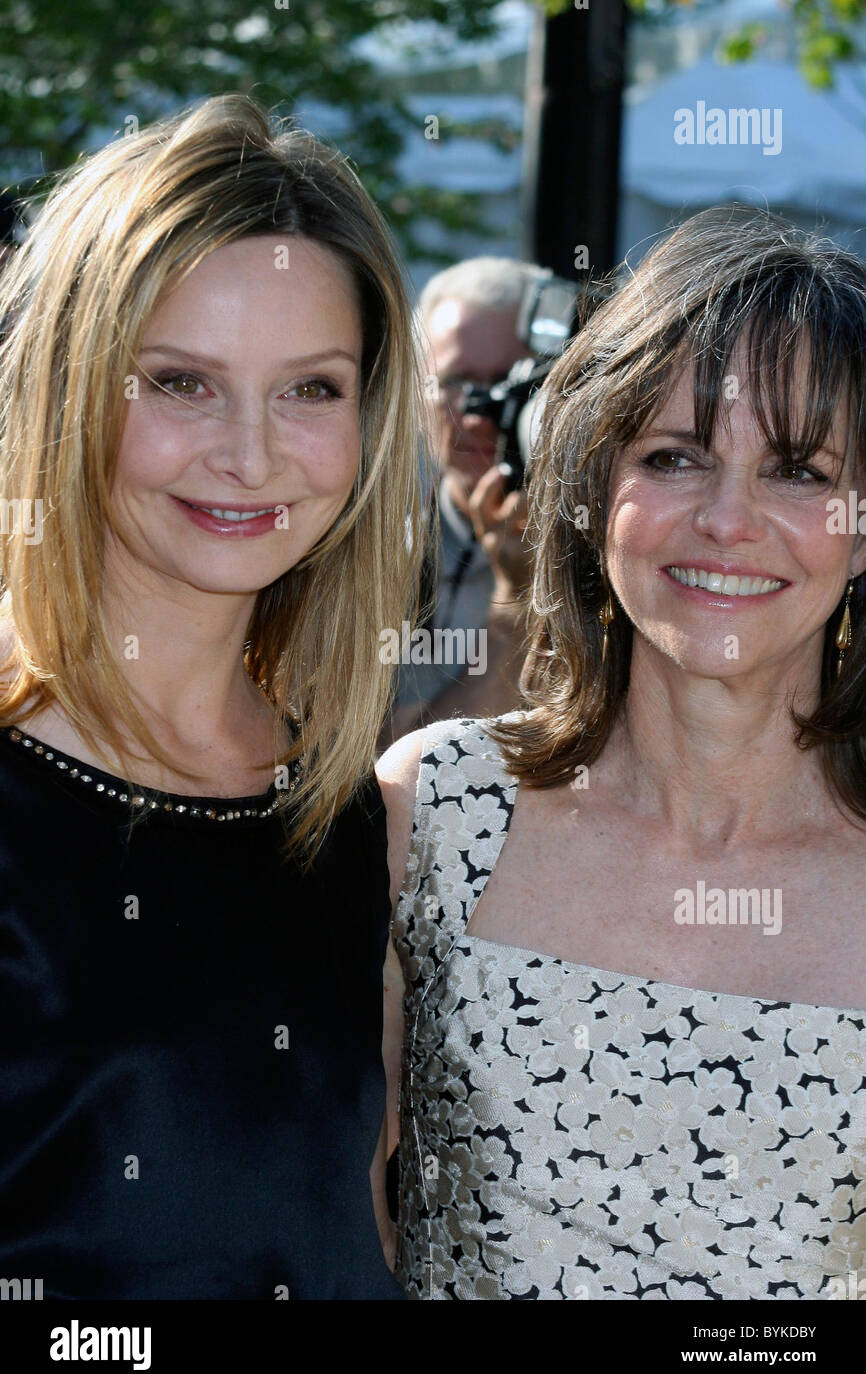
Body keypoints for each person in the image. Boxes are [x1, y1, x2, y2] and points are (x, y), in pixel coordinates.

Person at [378, 204, 866, 1300]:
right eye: (674, 455)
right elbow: (332, 1229)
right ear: (594, 483)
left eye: (796, 470)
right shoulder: (437, 814)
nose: (726, 520)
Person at [0, 94, 425, 1299]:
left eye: (310, 388)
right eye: (180, 383)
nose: (250, 453)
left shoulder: (337, 807)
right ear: (68, 388)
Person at [386, 257, 541, 741]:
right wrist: (515, 606)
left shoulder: (618, 541)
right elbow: (388, 775)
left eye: (508, 385)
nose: (477, 416)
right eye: (457, 383)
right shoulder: (372, 550)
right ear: (415, 392)